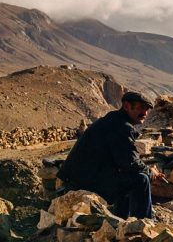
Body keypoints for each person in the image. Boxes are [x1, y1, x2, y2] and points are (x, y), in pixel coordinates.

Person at [57, 91, 162, 219]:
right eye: (140, 108)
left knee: (128, 178)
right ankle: (144, 225)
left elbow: (125, 160)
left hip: (80, 177)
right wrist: (151, 173)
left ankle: (121, 220)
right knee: (141, 179)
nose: (144, 113)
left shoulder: (113, 120)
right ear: (127, 106)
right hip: (84, 181)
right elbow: (129, 163)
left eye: (147, 110)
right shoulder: (122, 127)